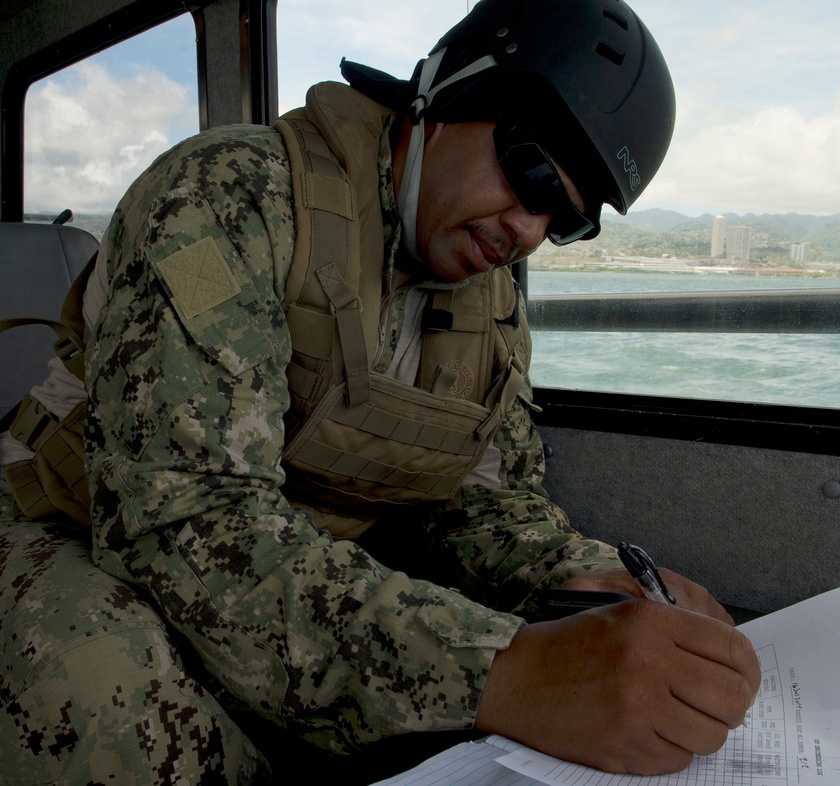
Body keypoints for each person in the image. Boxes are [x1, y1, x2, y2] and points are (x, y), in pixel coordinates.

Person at [0, 0, 761, 782]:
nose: (528, 230)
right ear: (445, 96)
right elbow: (184, 522)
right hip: (66, 524)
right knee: (112, 708)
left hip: (297, 561)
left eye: (562, 220)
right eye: (532, 173)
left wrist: (581, 577)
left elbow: (489, 508)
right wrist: (498, 672)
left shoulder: (491, 304)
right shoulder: (220, 200)